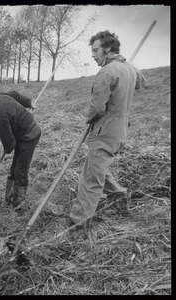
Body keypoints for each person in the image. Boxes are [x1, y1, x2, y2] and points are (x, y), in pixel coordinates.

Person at [69, 30, 146, 225]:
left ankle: (79, 221)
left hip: (105, 131)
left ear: (108, 48)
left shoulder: (106, 71)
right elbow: (141, 83)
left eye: (96, 50)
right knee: (96, 166)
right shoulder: (129, 68)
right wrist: (128, 69)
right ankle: (118, 194)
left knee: (90, 179)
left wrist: (89, 120)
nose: (93, 55)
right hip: (120, 132)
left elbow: (96, 108)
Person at [0, 91, 41, 210]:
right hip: (22, 133)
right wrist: (28, 102)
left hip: (29, 135)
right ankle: (9, 199)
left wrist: (7, 149)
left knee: (21, 170)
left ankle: (18, 205)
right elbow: (14, 94)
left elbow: (10, 144)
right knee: (14, 169)